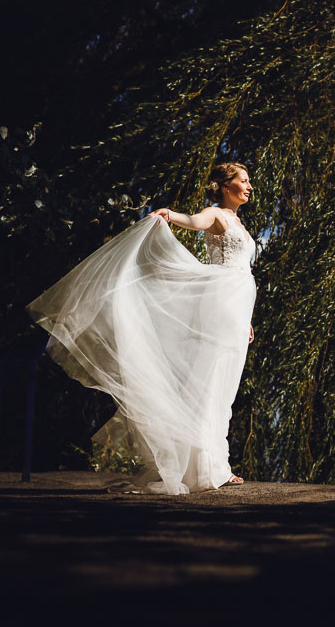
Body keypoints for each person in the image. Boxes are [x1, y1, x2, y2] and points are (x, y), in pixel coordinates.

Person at [28, 162, 257, 494]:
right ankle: (209, 466)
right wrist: (170, 215)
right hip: (220, 307)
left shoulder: (239, 223)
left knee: (225, 384)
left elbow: (241, 273)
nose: (249, 187)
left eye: (249, 182)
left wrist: (245, 318)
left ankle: (216, 462)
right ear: (225, 186)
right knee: (211, 378)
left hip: (235, 310)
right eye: (243, 181)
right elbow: (194, 222)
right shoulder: (217, 215)